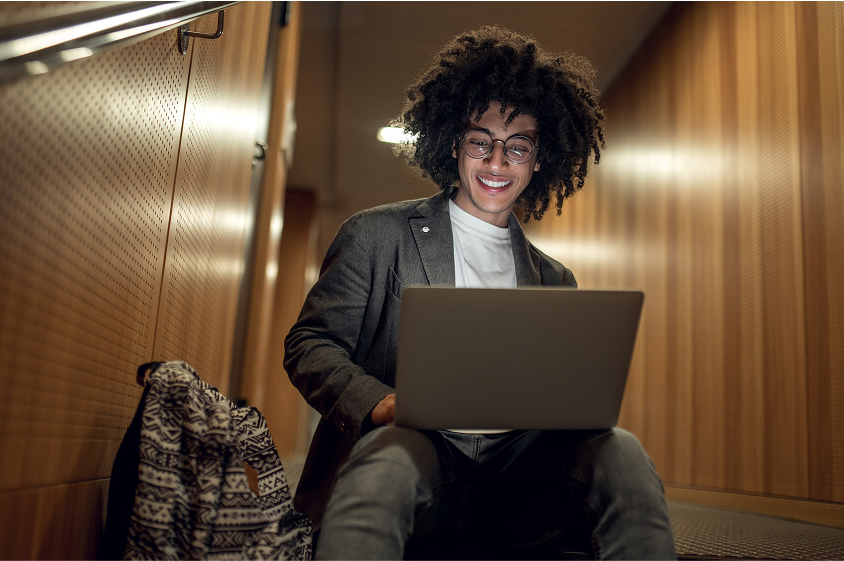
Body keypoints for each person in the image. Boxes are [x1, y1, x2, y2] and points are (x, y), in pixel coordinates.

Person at [284, 25, 676, 559]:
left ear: (539, 160)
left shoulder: (555, 279)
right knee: (390, 457)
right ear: (453, 143)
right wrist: (382, 405)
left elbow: (556, 394)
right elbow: (310, 344)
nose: (497, 162)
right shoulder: (377, 234)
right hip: (416, 451)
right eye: (481, 142)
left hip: (517, 476)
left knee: (622, 451)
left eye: (517, 147)